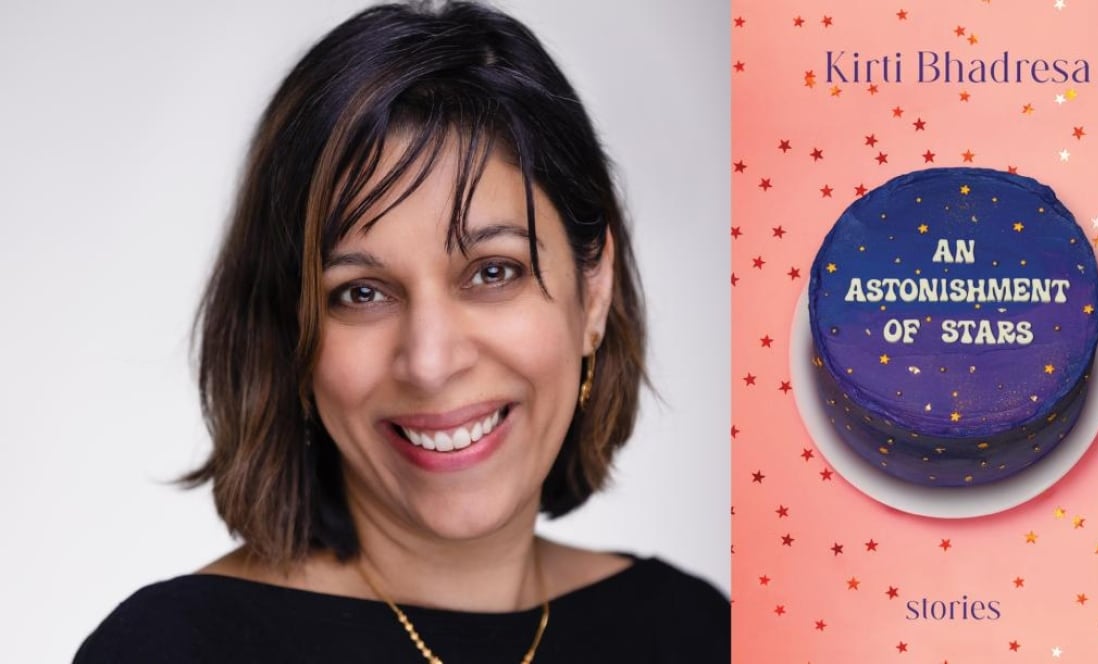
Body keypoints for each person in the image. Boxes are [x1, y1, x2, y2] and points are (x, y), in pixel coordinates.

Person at [73, 2, 728, 662]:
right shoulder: (172, 648)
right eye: (361, 293)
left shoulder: (696, 630)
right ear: (291, 333)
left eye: (492, 272)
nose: (430, 360)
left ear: (594, 292)